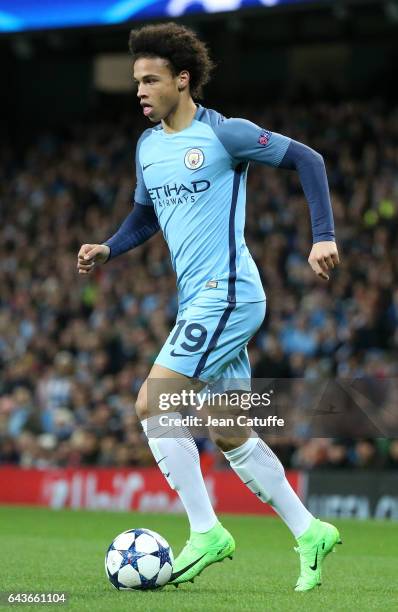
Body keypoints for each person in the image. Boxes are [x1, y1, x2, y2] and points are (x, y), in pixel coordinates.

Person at [77, 22, 341, 592]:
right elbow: (146, 215)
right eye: (136, 81)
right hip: (199, 299)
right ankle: (310, 529)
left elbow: (310, 161)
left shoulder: (226, 135)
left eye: (151, 80)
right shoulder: (148, 146)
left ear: (183, 79)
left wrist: (323, 234)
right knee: (228, 429)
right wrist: (109, 247)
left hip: (229, 294)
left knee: (154, 401)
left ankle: (205, 531)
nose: (141, 90)